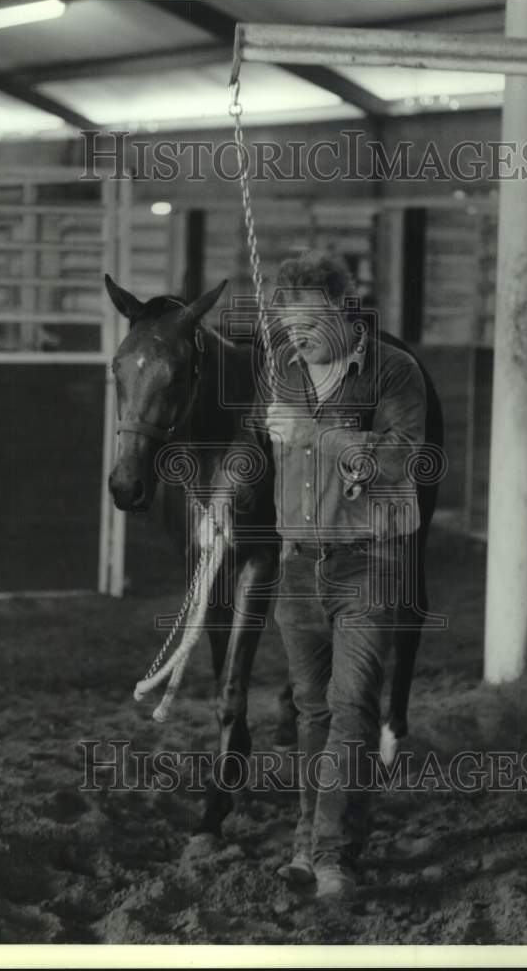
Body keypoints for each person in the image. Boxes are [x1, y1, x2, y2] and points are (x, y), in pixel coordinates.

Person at [207, 251, 426, 900]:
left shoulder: (393, 373)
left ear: (340, 309)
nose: (292, 334)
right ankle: (308, 841)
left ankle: (332, 855)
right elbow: (252, 439)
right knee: (308, 711)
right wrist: (223, 491)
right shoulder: (281, 369)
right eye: (285, 322)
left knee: (350, 707)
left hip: (371, 559)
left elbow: (400, 460)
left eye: (304, 322)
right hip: (297, 562)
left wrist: (316, 432)